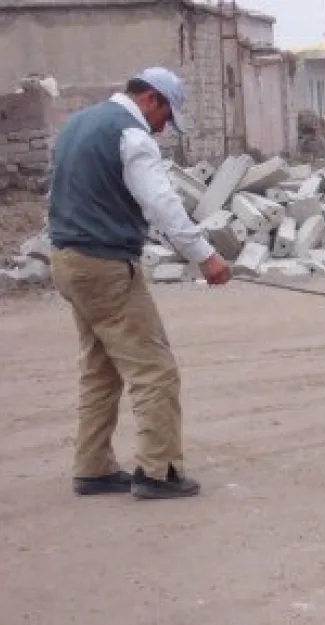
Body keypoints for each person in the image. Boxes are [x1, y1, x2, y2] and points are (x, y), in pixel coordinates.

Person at [49, 67, 232, 500]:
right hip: (104, 264)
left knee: (100, 367)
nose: (164, 128)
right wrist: (206, 258)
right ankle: (159, 472)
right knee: (154, 369)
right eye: (166, 116)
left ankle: (92, 467)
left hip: (67, 257)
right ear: (151, 98)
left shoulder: (78, 123)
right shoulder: (132, 136)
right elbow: (162, 203)